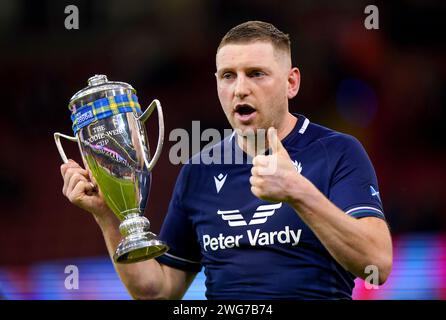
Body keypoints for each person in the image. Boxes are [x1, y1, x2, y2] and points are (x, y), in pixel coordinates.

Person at [61, 21, 392, 299]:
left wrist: (298, 191)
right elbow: (158, 290)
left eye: (256, 74)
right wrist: (106, 214)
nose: (240, 89)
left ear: (291, 82)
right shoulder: (200, 170)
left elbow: (377, 263)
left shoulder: (336, 152)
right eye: (228, 76)